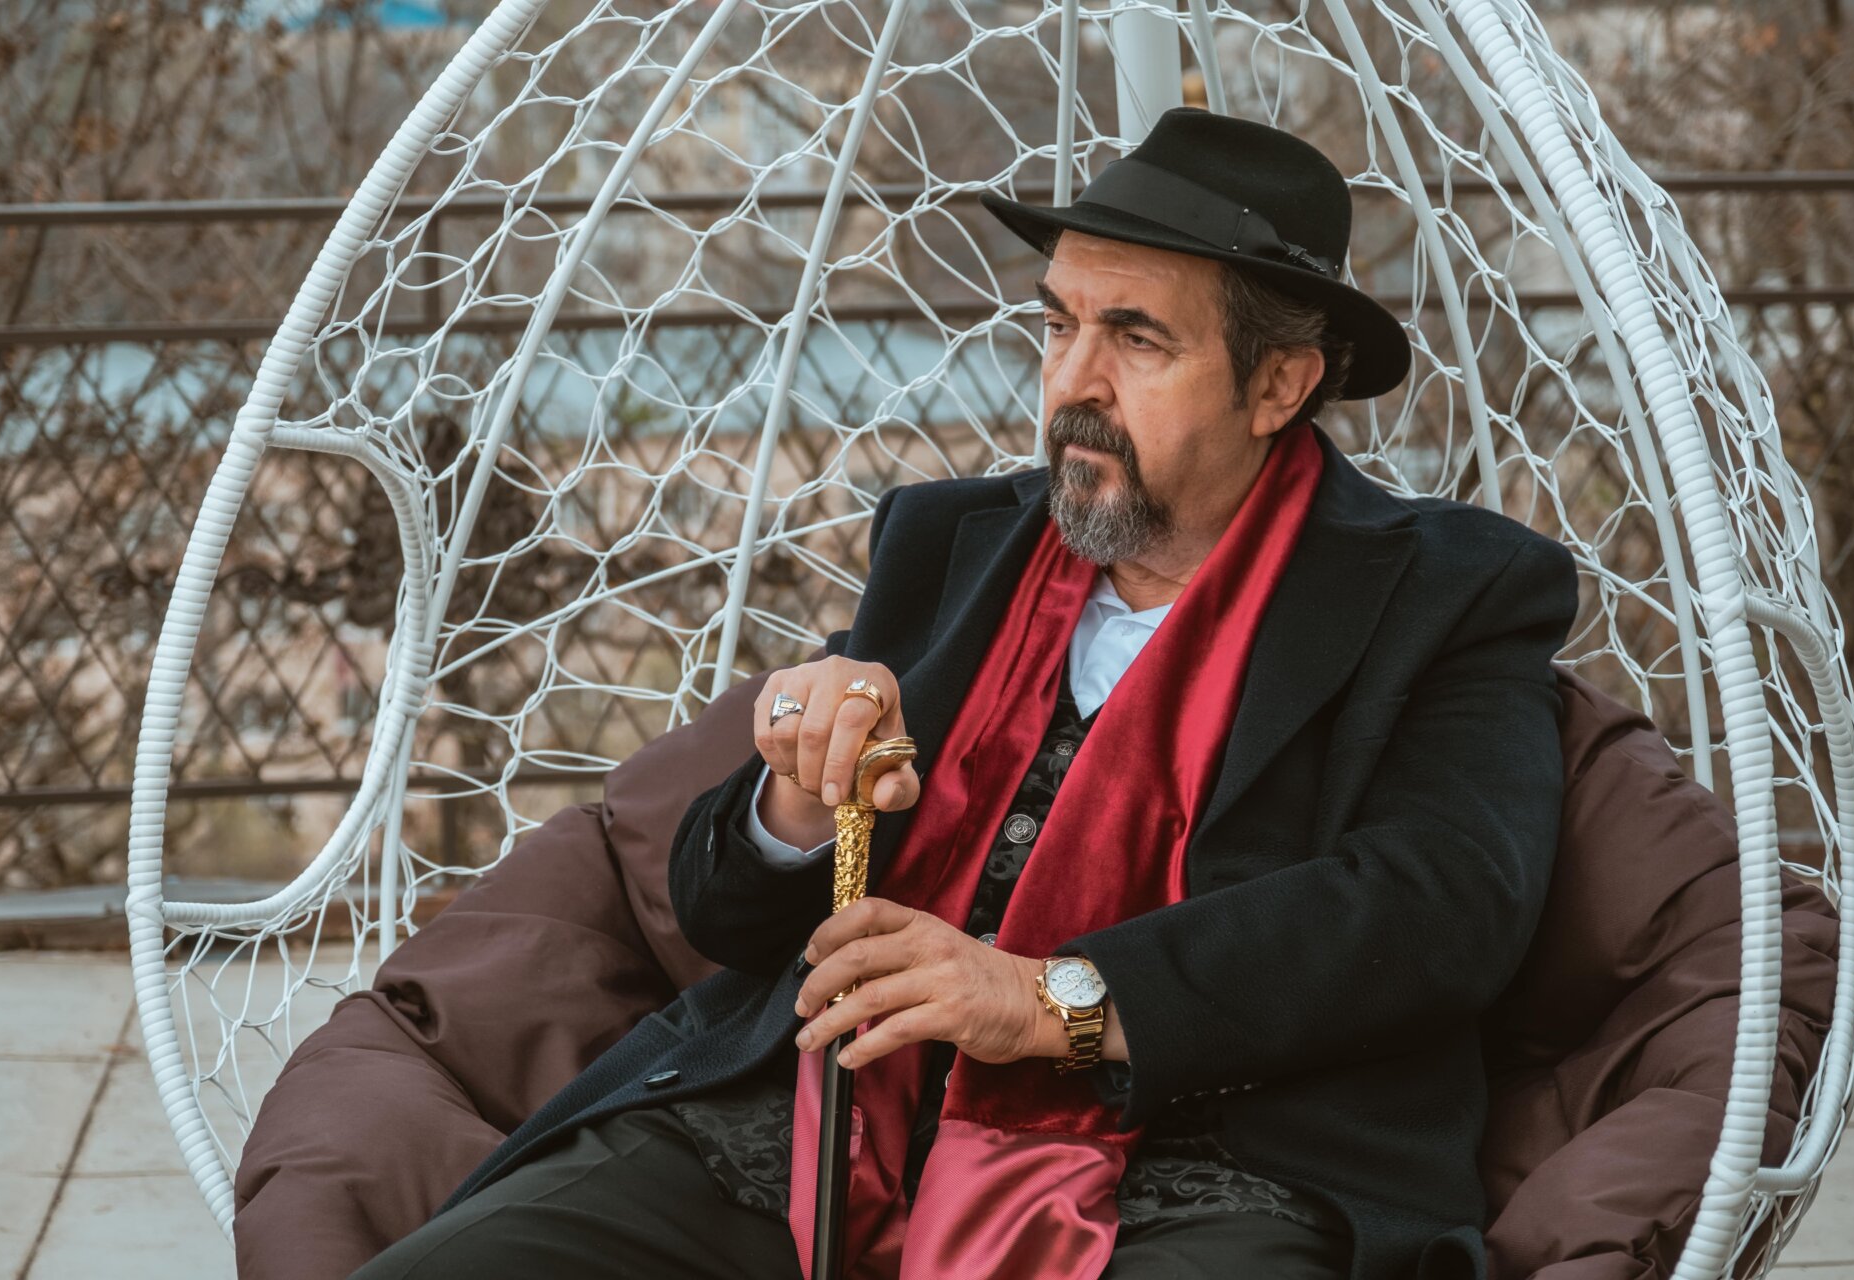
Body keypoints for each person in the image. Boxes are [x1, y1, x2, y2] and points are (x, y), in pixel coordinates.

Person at [353, 107, 1578, 1280]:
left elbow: (1444, 904)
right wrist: (797, 798)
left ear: (1280, 385)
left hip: (1212, 1160)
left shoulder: (1448, 591)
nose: (1073, 382)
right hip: (823, 1112)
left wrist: (1049, 1000)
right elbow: (721, 912)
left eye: (1137, 340)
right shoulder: (949, 544)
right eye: (1058, 324)